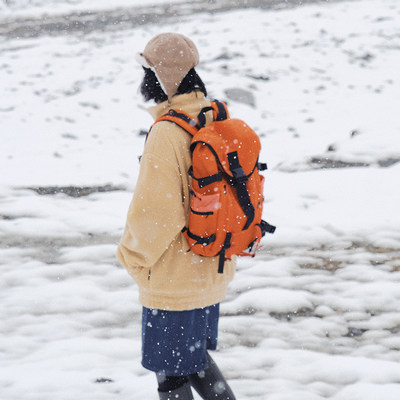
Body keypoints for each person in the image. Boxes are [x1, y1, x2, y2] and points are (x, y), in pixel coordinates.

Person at [117, 33, 236, 400]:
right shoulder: (213, 115)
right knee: (194, 359)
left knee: (170, 374)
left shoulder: (167, 132)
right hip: (211, 264)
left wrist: (132, 259)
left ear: (158, 76)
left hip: (173, 279)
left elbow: (155, 213)